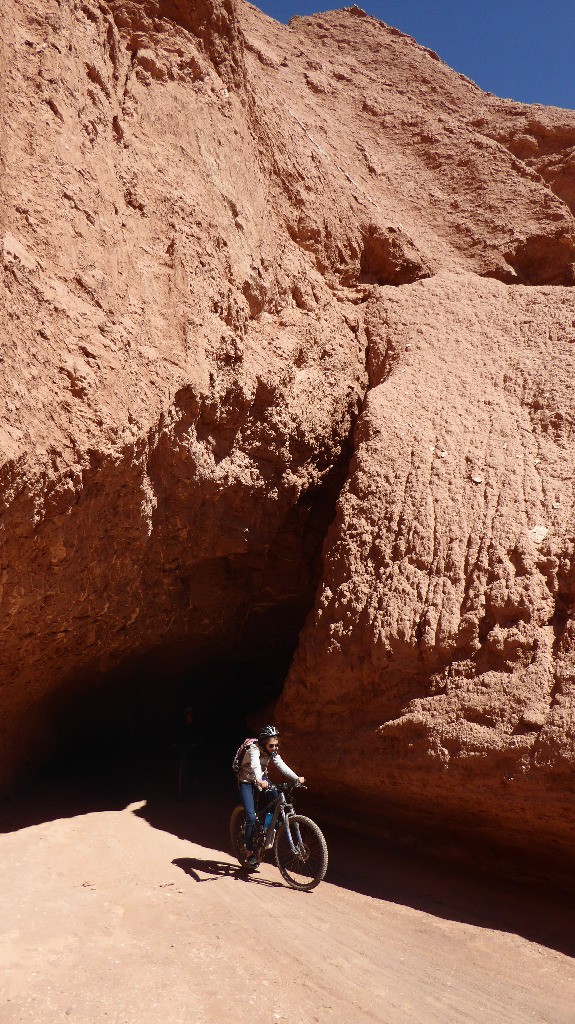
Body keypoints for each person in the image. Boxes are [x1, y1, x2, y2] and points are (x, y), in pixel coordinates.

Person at [236, 725, 305, 867]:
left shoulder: (272, 752)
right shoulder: (253, 749)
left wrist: (296, 778)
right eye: (271, 745)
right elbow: (255, 764)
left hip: (262, 779)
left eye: (276, 745)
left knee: (276, 797)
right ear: (263, 743)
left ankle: (267, 825)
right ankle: (249, 853)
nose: (274, 748)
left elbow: (281, 765)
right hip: (247, 781)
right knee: (250, 816)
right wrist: (259, 780)